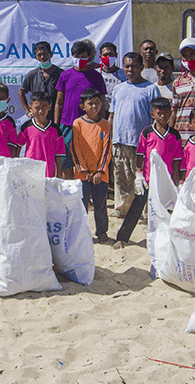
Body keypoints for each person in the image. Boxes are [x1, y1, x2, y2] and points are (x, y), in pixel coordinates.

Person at [114, 96, 183, 249]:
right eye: (160, 113)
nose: (163, 116)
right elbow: (140, 154)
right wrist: (138, 174)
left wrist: (176, 182)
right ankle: (122, 238)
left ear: (171, 113)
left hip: (165, 181)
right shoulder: (147, 132)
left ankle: (164, 240)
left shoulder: (175, 135)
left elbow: (177, 160)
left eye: (166, 112)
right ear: (153, 114)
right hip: (147, 178)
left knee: (165, 211)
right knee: (136, 208)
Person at [107, 52, 160, 218]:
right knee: (121, 178)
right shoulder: (118, 89)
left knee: (142, 178)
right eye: (127, 66)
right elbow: (112, 115)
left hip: (141, 143)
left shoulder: (151, 89)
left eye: (134, 66)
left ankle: (143, 213)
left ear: (141, 67)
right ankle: (122, 210)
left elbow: (156, 118)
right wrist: (109, 138)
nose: (130, 69)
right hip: (119, 141)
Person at [54, 39, 107, 179]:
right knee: (66, 164)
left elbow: (102, 102)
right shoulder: (65, 75)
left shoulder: (96, 77)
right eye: (76, 57)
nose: (79, 60)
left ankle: (86, 198)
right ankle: (70, 195)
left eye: (83, 57)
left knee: (88, 162)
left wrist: (101, 124)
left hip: (90, 126)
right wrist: (56, 125)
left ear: (89, 57)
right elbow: (59, 103)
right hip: (67, 126)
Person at [70, 88, 112, 243]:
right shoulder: (78, 124)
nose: (94, 107)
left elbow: (107, 149)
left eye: (97, 103)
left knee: (101, 204)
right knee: (82, 204)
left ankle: (102, 232)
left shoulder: (105, 125)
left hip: (101, 173)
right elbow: (75, 148)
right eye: (90, 104)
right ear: (83, 106)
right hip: (83, 173)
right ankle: (81, 233)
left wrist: (100, 170)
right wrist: (84, 169)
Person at [16, 92, 65, 178]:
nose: (41, 111)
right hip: (30, 172)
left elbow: (59, 154)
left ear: (49, 107)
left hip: (49, 173)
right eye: (37, 108)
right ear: (30, 108)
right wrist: (16, 167)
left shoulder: (56, 130)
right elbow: (18, 146)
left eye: (44, 107)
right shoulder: (26, 127)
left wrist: (59, 174)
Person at [18, 41, 63, 116]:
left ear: (50, 54)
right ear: (35, 57)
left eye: (44, 54)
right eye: (39, 55)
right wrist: (28, 111)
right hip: (38, 118)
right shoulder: (32, 75)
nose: (42, 57)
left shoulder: (61, 74)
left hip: (56, 117)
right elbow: (21, 92)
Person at [98, 42, 127, 109]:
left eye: (111, 54)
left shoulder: (124, 74)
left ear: (116, 55)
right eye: (105, 55)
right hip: (100, 111)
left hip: (118, 110)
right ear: (100, 57)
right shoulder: (95, 74)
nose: (108, 57)